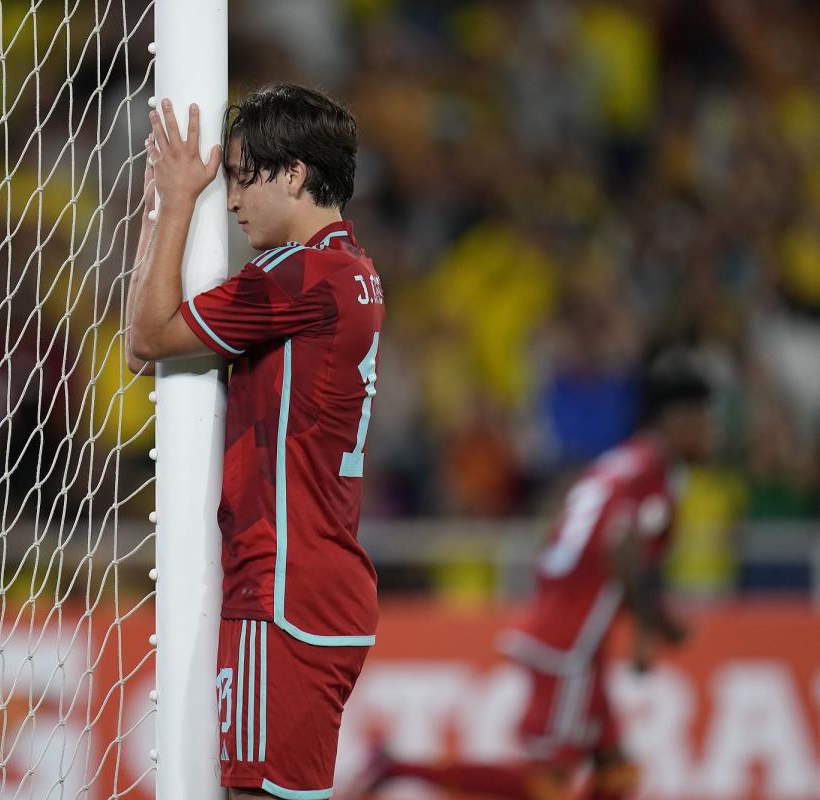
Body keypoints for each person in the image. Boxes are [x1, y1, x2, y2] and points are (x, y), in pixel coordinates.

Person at [126, 83, 384, 800]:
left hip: (282, 588)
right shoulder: (352, 271)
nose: (230, 199)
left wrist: (175, 201)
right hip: (319, 578)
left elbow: (144, 340)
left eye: (242, 177)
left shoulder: (299, 274)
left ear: (294, 174)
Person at [348, 353, 712, 800]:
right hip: (570, 643)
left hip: (571, 629)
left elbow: (571, 530)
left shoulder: (623, 462)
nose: (709, 434)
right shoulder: (657, 473)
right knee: (547, 785)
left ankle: (395, 765)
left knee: (618, 772)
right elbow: (621, 543)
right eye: (704, 421)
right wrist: (646, 631)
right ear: (679, 420)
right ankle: (397, 766)